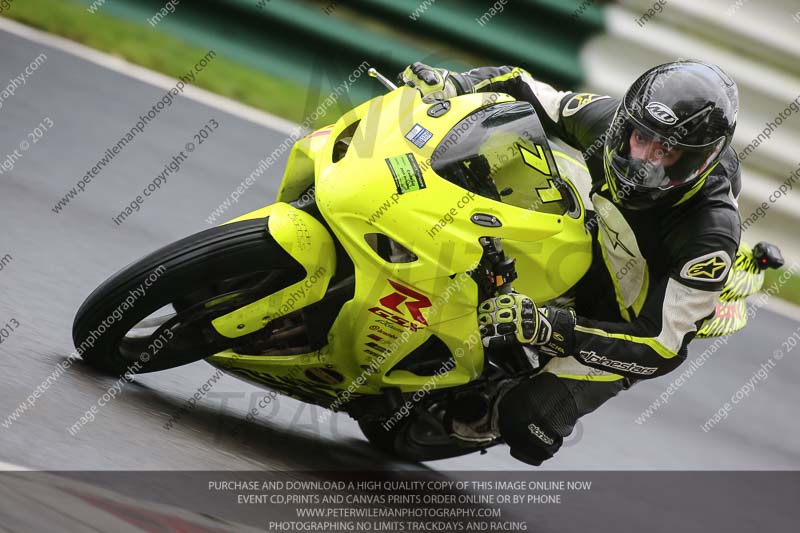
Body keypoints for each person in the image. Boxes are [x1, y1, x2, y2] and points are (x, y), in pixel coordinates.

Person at [400, 60, 742, 465]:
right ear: (627, 124)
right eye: (641, 137)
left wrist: (552, 328)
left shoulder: (709, 233)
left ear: (697, 161)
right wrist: (454, 81)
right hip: (591, 239)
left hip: (621, 319)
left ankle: (493, 403)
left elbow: (661, 346)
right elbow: (521, 84)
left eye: (666, 151)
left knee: (528, 424)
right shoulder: (607, 121)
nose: (643, 159)